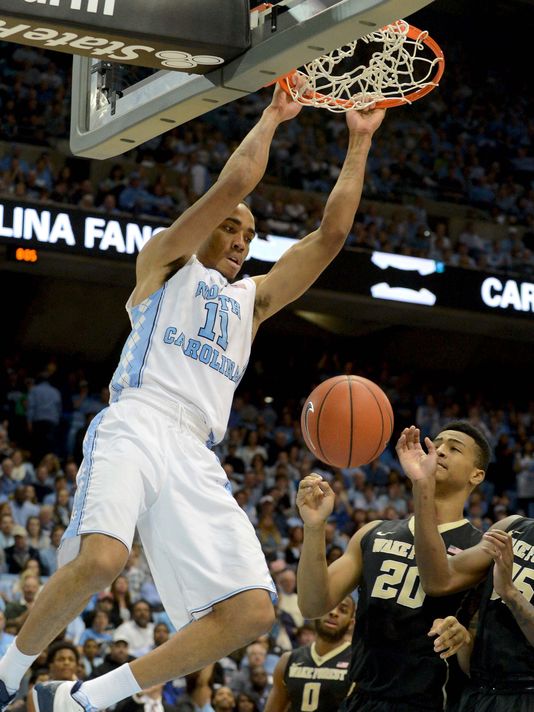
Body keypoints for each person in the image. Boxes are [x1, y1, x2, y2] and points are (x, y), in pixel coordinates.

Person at [0, 83, 386, 712]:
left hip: (197, 452)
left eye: (250, 235)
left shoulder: (251, 304)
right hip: (139, 418)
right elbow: (232, 185)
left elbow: (332, 236)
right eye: (231, 228)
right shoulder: (165, 262)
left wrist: (360, 141)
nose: (241, 239)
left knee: (253, 612)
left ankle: (83, 700)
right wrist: (273, 116)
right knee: (102, 560)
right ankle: (8, 671)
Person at [296, 420, 491, 711]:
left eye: (454, 448)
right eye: (436, 443)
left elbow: (484, 650)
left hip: (429, 702)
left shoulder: (482, 548)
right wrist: (314, 528)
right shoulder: (373, 532)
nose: (439, 450)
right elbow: (312, 605)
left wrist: (464, 638)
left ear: (476, 475)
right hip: (362, 698)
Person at [396, 424, 534, 711]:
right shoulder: (513, 527)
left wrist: (510, 592)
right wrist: (423, 485)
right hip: (478, 693)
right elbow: (437, 581)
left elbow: (507, 593)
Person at [264, 596, 355, 712]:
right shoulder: (288, 660)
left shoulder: (358, 661)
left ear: (351, 623)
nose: (333, 613)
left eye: (342, 610)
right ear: (317, 612)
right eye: (328, 607)